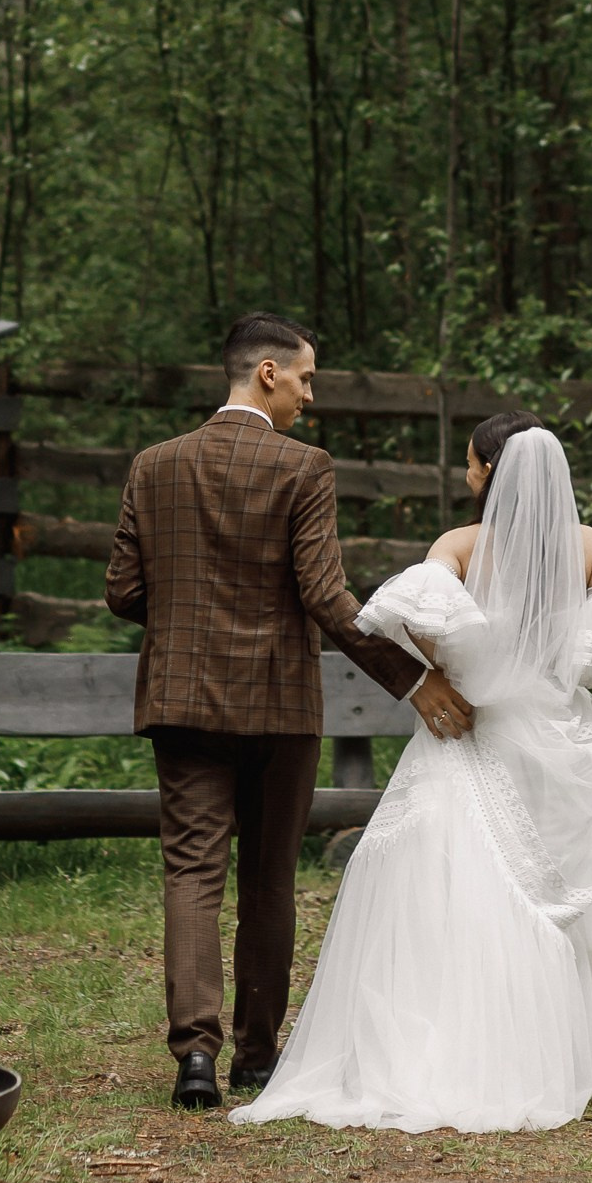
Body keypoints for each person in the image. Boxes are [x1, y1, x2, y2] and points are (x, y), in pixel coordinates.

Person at [233, 416, 592, 1136]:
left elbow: (416, 629)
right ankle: (542, 1050)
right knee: (546, 894)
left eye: (469, 463)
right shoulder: (587, 546)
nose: (465, 475)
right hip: (555, 742)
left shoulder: (459, 547)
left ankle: (436, 1043)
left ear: (490, 472)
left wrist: (454, 664)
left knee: (449, 887)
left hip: (471, 734)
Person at [105, 313, 476, 1112]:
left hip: (182, 699)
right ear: (267, 372)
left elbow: (123, 591)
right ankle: (255, 1057)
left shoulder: (153, 465)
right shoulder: (304, 467)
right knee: (269, 878)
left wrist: (190, 623)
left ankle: (194, 1058)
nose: (310, 396)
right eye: (306, 379)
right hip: (279, 703)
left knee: (192, 872)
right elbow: (325, 595)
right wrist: (413, 680)